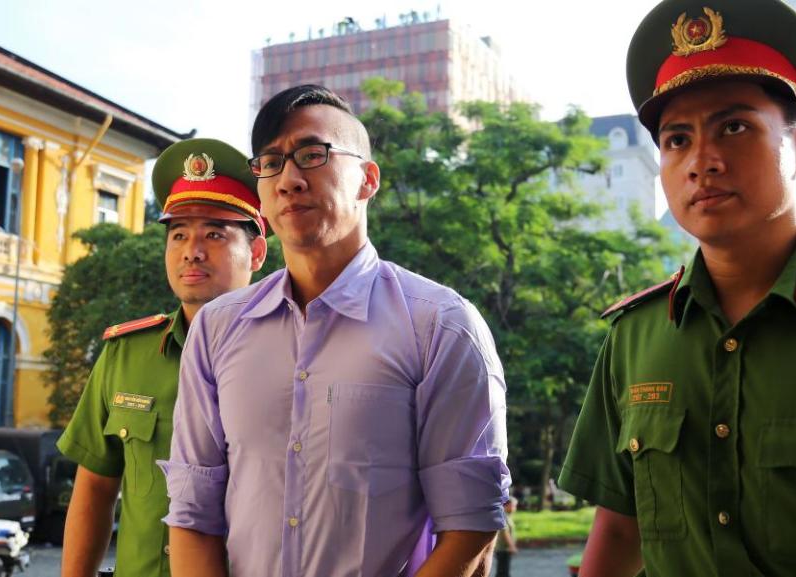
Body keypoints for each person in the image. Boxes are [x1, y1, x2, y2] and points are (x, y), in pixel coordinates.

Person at [558, 0, 796, 576]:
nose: (702, 160)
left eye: (735, 127)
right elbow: (619, 526)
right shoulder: (636, 336)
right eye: (677, 140)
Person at [159, 85, 510, 577]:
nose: (289, 180)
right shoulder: (217, 329)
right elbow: (194, 511)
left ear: (367, 179)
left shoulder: (440, 325)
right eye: (271, 162)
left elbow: (470, 526)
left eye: (311, 154)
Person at [57, 138, 267, 577]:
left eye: (214, 233)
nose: (192, 249)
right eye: (178, 234)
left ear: (258, 252)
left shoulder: (291, 356)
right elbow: (95, 487)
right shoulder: (124, 354)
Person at [495, 497, 518, 577]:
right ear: (507, 505)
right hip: (503, 549)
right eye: (513, 506)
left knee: (503, 572)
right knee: (503, 573)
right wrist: (512, 546)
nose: (515, 508)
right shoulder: (504, 516)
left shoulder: (505, 516)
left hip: (504, 549)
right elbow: (505, 532)